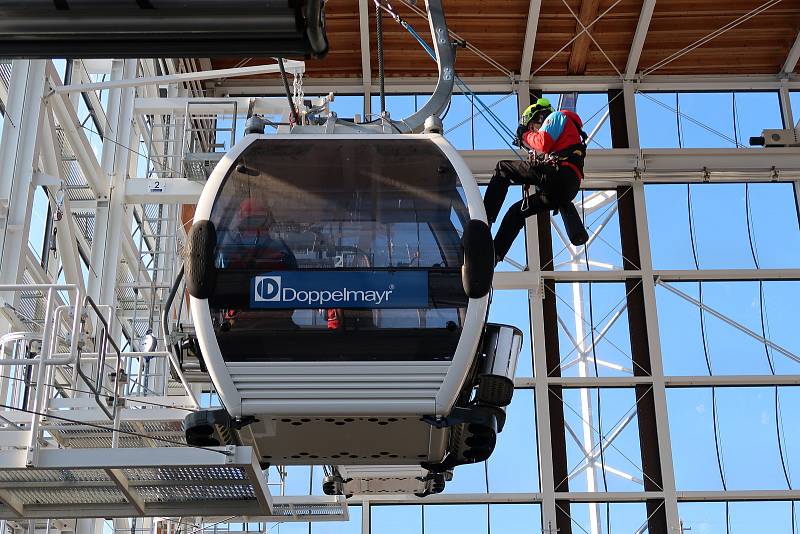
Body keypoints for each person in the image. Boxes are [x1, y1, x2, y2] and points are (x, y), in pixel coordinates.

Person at [483, 98, 587, 263]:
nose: (534, 131)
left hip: (558, 176)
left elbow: (542, 142)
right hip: (565, 188)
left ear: (540, 116)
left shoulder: (556, 117)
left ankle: (485, 219)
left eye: (533, 127)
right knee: (516, 213)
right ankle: (494, 256)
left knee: (503, 168)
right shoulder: (567, 136)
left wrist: (524, 133)